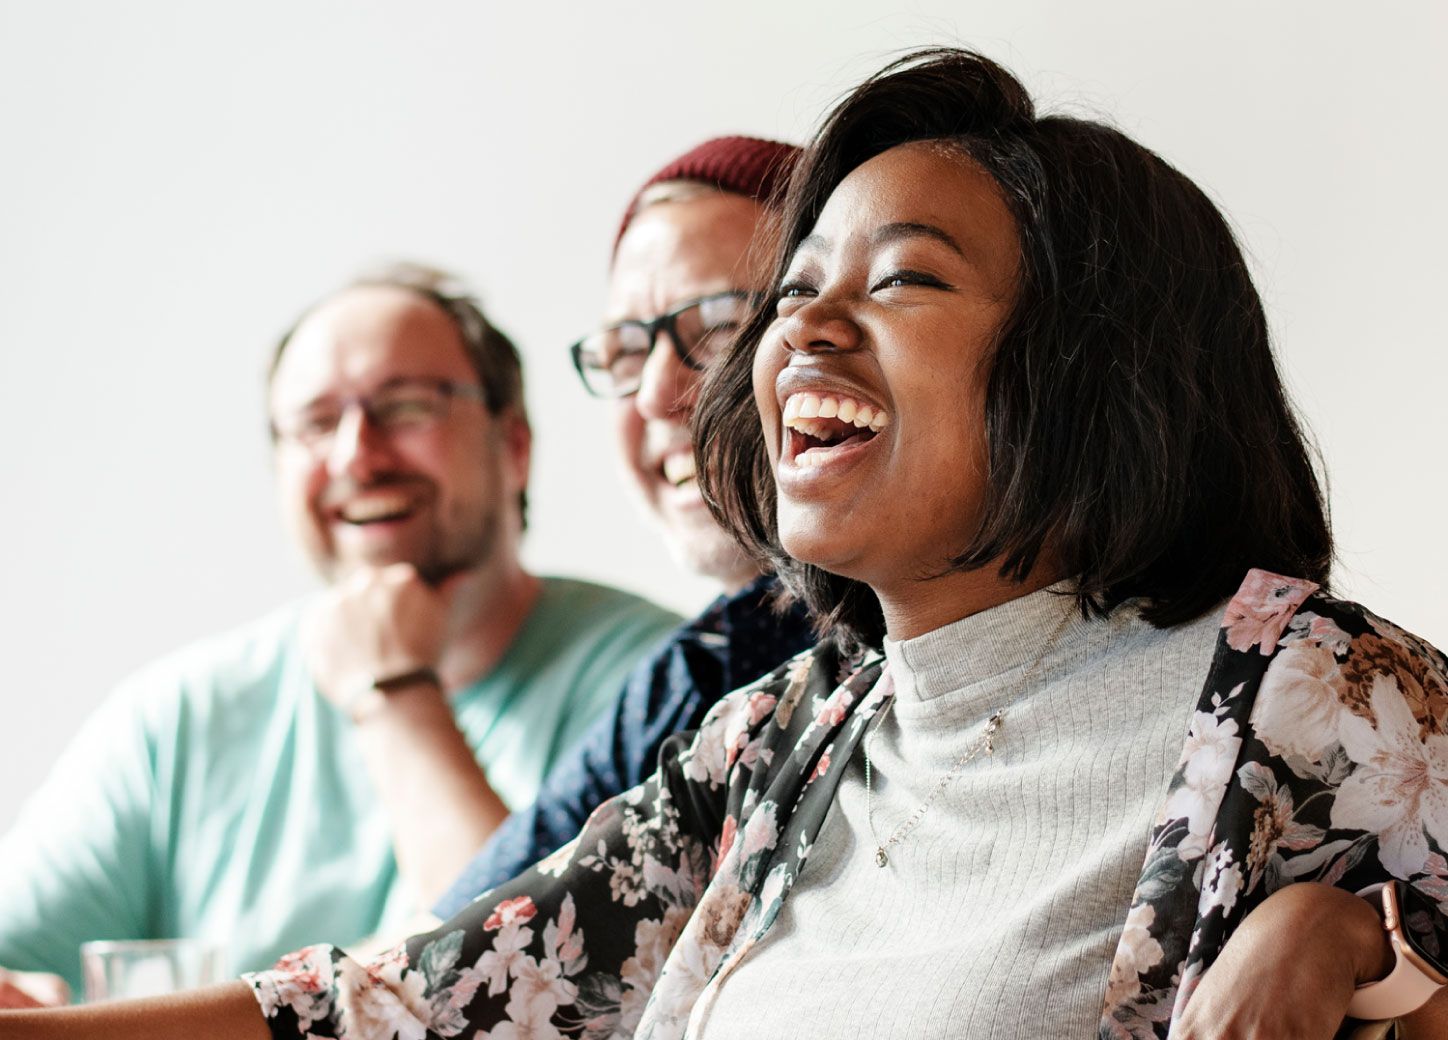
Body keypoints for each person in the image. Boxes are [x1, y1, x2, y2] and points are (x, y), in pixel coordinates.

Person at [5, 48, 1447, 1040]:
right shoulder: (781, 736)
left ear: (1089, 368)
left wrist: (1353, 945)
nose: (800, 330)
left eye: (902, 281)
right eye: (798, 288)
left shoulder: (1294, 683)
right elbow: (432, 996)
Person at [0, 265, 681, 1002]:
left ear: (513, 444)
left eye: (408, 406)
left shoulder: (660, 681)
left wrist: (390, 688)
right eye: (317, 424)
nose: (357, 456)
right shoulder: (176, 722)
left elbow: (528, 988)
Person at [433, 137, 816, 917]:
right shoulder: (702, 664)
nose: (652, 394)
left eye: (715, 327)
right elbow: (457, 948)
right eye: (625, 350)